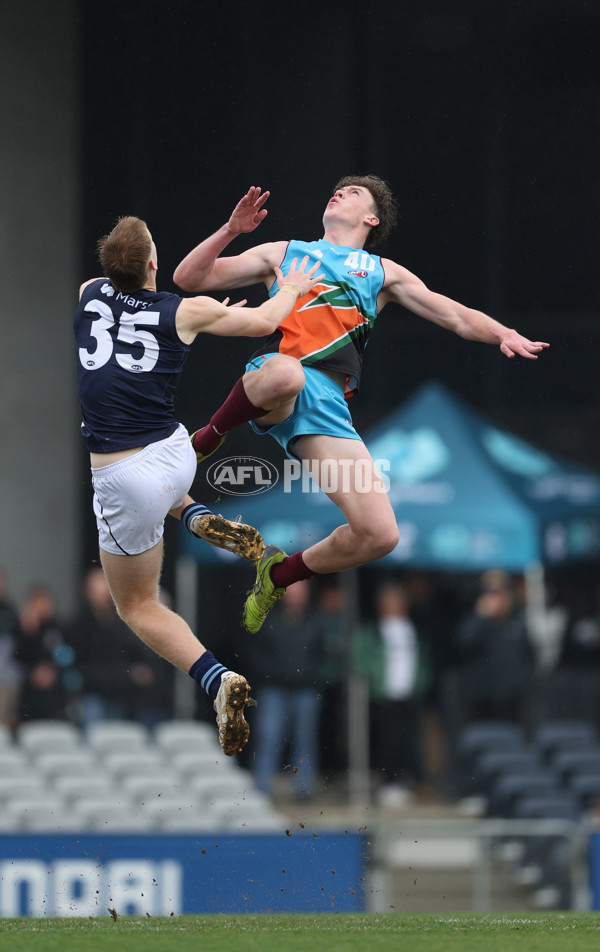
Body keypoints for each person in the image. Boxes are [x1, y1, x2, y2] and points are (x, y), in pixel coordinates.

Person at [173, 177, 550, 634]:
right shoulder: (283, 252)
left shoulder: (381, 272)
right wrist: (231, 229)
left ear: (371, 218)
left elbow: (452, 314)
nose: (338, 193)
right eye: (336, 189)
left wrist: (502, 333)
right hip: (275, 377)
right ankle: (206, 439)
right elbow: (188, 279)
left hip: (328, 406)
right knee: (286, 373)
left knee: (380, 535)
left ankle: (276, 575)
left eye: (353, 193)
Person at [75, 216, 322, 755]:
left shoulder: (88, 292)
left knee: (136, 605)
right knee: (158, 498)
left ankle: (216, 679)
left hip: (122, 475)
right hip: (176, 453)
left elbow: (118, 306)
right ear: (153, 265)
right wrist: (294, 288)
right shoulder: (181, 310)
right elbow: (265, 322)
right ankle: (191, 513)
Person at [353, 582, 430, 806]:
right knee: (387, 741)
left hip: (409, 694)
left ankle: (411, 781)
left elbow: (423, 661)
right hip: (384, 695)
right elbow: (360, 658)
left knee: (410, 740)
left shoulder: (412, 629)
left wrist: (421, 682)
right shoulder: (373, 631)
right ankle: (388, 783)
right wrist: (376, 680)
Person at [249, 580, 326, 800]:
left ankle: (304, 790)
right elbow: (257, 653)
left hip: (306, 690)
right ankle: (261, 789)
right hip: (274, 689)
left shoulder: (316, 621)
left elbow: (324, 654)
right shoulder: (269, 620)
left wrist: (309, 674)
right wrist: (274, 673)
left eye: (300, 593)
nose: (295, 597)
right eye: (291, 593)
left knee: (305, 740)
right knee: (269, 737)